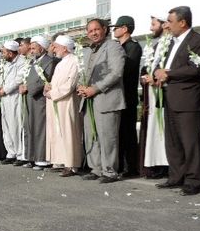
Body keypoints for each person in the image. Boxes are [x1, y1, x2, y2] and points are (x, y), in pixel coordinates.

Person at [154, 6, 200, 196]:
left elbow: (195, 69)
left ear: (182, 22)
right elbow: (163, 66)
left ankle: (194, 180)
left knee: (190, 141)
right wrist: (157, 74)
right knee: (173, 142)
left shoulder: (199, 40)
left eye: (170, 21)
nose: (167, 25)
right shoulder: (170, 42)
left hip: (189, 98)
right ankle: (176, 176)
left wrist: (168, 74)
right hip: (169, 96)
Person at [77, 18, 126, 183]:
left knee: (108, 137)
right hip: (89, 100)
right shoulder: (88, 51)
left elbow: (116, 72)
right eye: (90, 31)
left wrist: (95, 88)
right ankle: (96, 168)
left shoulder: (113, 46)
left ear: (104, 29)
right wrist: (81, 87)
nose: (93, 33)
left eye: (96, 29)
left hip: (106, 98)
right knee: (92, 136)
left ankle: (110, 171)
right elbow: (82, 73)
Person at [44, 35, 83, 176]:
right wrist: (48, 88)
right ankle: (60, 161)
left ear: (65, 48)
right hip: (56, 102)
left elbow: (70, 85)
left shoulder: (75, 61)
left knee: (68, 133)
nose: (54, 49)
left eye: (56, 46)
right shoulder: (60, 63)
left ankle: (71, 164)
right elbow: (56, 83)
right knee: (58, 132)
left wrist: (53, 93)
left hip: (66, 102)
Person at [139, 14, 170, 178]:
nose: (151, 28)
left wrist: (156, 77)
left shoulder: (170, 44)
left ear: (165, 24)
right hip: (152, 94)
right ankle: (156, 164)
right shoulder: (156, 45)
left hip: (165, 95)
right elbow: (147, 67)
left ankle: (166, 165)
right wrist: (146, 76)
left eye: (154, 24)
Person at [111, 16, 142, 177]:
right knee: (118, 132)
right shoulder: (117, 46)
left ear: (125, 29)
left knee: (128, 132)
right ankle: (120, 164)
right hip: (117, 95)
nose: (114, 30)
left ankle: (131, 167)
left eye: (116, 27)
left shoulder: (133, 47)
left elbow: (126, 69)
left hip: (127, 95)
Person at [21, 35, 57, 169]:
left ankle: (41, 158)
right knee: (29, 127)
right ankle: (31, 157)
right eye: (30, 48)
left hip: (39, 99)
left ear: (41, 48)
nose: (31, 51)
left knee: (39, 128)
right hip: (29, 99)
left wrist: (28, 88)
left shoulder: (49, 61)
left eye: (34, 48)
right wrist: (23, 85)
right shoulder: (32, 62)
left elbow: (44, 80)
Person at [0, 40, 27, 165]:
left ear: (10, 53)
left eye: (4, 52)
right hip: (4, 98)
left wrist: (6, 89)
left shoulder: (22, 62)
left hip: (14, 98)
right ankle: (11, 152)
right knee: (6, 126)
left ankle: (20, 154)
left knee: (15, 125)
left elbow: (18, 79)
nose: (2, 54)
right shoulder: (5, 63)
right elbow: (1, 77)